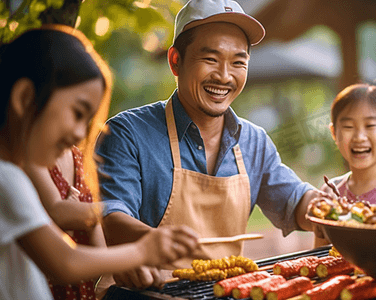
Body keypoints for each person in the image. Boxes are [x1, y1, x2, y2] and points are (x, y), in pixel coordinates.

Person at [95, 0, 319, 289]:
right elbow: (111, 216)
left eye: (238, 62)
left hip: (219, 292)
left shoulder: (254, 142)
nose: (224, 76)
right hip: (141, 292)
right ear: (176, 60)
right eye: (211, 59)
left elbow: (293, 201)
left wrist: (322, 207)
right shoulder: (127, 133)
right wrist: (152, 243)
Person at [0, 25, 199, 300]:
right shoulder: (6, 179)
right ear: (25, 99)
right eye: (77, 113)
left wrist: (125, 261)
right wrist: (143, 250)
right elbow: (65, 262)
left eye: (88, 121)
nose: (81, 134)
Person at [314, 84, 376, 247]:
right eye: (348, 127)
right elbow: (319, 255)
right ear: (334, 132)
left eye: (370, 126)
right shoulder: (329, 193)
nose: (359, 137)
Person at [25, 146, 107, 300]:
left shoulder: (81, 158)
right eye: (76, 120)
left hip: (80, 287)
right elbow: (58, 213)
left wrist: (89, 216)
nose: (80, 132)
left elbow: (100, 252)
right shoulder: (30, 157)